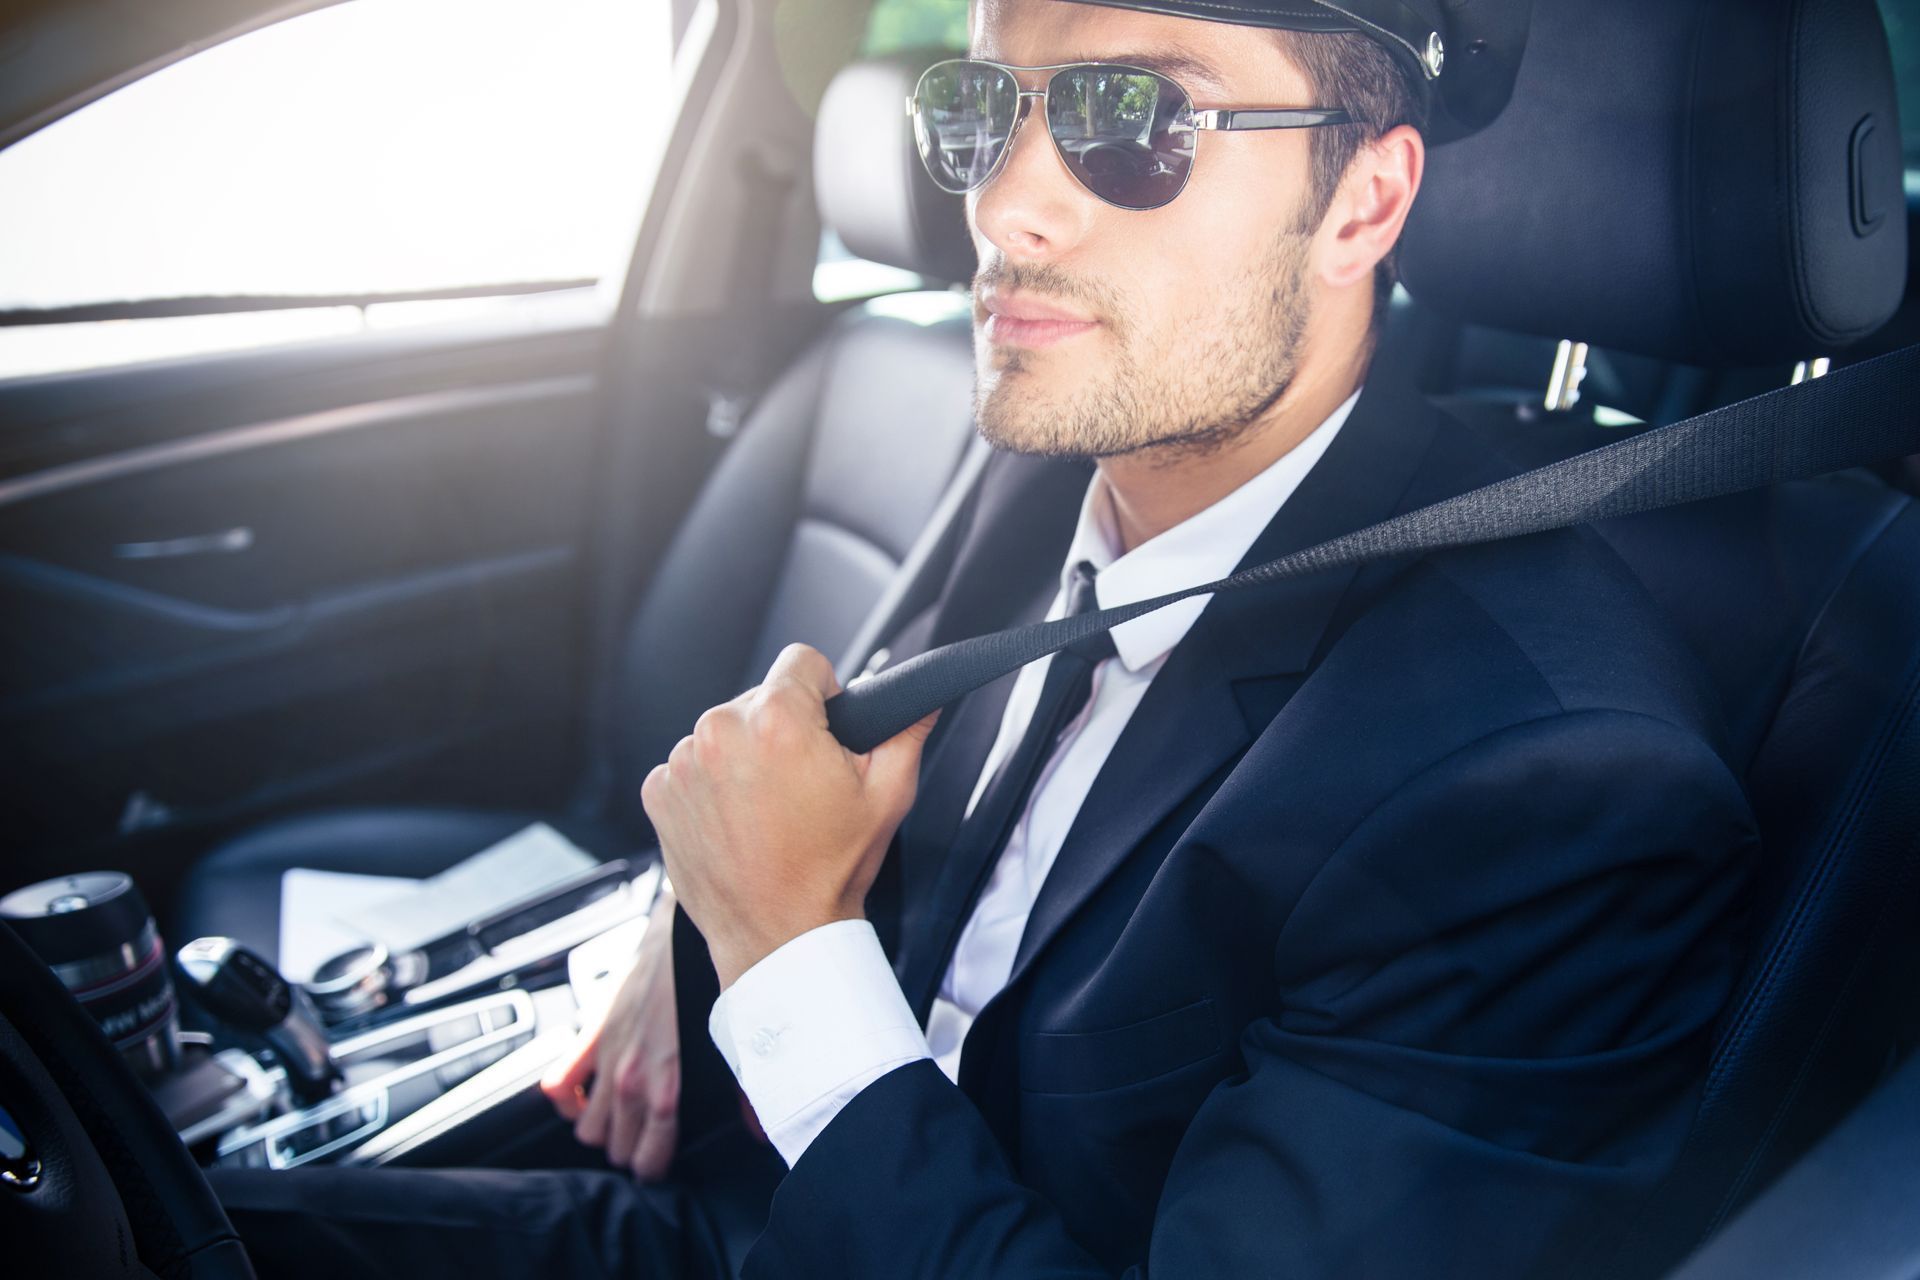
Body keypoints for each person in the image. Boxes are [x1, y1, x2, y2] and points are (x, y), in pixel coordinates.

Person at [211, 0, 1754, 1275]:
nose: (1003, 200)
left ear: (1363, 202)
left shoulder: (1548, 785)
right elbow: (834, 792)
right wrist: (685, 932)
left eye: (1132, 120)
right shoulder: (1059, 458)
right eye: (980, 107)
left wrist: (781, 958)